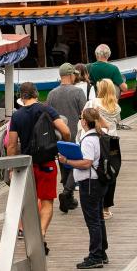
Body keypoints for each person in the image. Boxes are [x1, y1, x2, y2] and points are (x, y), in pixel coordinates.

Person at [7, 82, 71, 250]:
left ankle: (29, 231)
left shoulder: (17, 116)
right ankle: (41, 233)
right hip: (47, 162)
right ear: (36, 94)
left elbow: (12, 145)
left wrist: (11, 167)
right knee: (47, 201)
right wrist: (64, 145)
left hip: (27, 164)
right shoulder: (47, 110)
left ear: (21, 97)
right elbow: (65, 131)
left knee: (29, 201)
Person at [57, 107, 108, 269]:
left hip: (89, 184)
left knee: (92, 221)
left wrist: (67, 162)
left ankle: (95, 256)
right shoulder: (100, 135)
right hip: (98, 182)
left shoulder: (88, 140)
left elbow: (86, 163)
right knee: (98, 219)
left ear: (84, 121)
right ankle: (102, 252)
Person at [46, 63, 88, 213]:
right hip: (73, 135)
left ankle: (68, 199)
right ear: (71, 75)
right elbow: (85, 114)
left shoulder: (51, 94)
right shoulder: (78, 93)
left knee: (63, 163)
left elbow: (48, 116)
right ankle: (67, 192)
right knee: (75, 164)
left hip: (57, 136)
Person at [83, 79, 122, 218]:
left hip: (98, 139)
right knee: (111, 173)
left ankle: (97, 206)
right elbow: (117, 122)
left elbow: (85, 118)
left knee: (97, 171)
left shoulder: (93, 103)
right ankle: (106, 208)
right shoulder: (116, 106)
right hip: (112, 142)